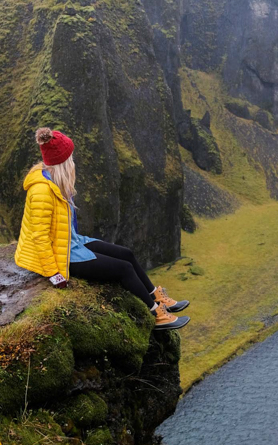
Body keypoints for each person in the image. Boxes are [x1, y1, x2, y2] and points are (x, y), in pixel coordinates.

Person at [14, 127, 190, 330]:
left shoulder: (54, 182)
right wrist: (54, 273)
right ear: (62, 163)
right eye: (70, 158)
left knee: (127, 254)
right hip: (61, 255)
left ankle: (157, 296)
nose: (73, 162)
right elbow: (39, 236)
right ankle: (157, 315)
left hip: (72, 243)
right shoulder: (42, 191)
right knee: (123, 269)